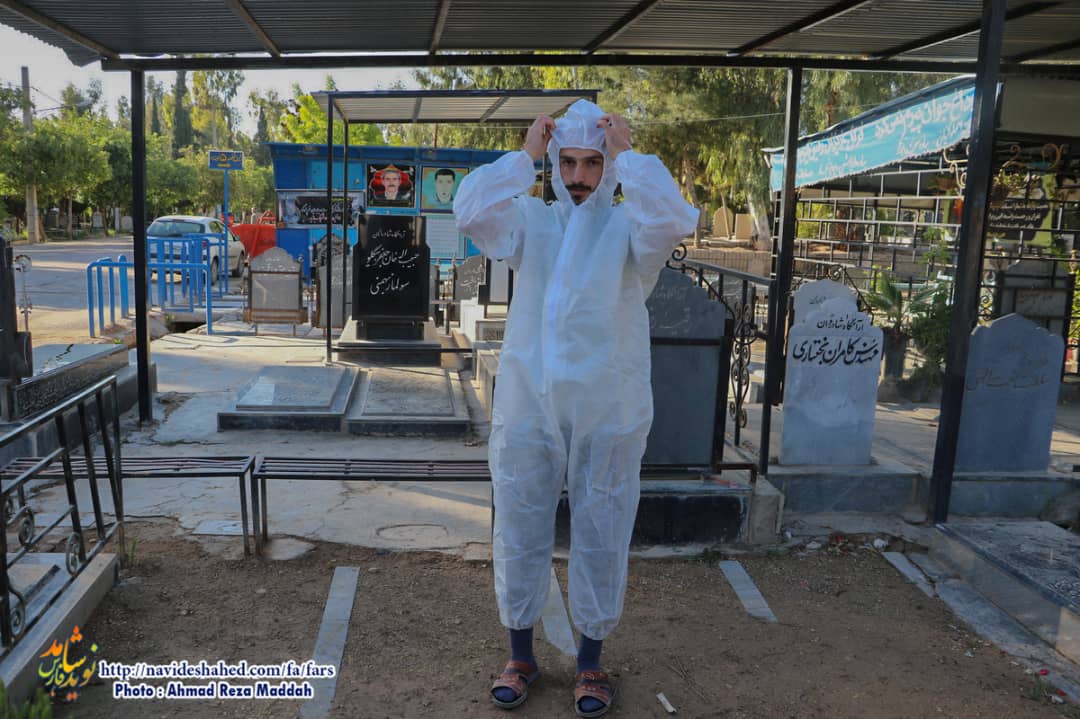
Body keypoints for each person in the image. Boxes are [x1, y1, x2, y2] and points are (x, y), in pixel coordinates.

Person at [454, 99, 698, 717]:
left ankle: (591, 662)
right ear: (554, 164)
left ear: (607, 165)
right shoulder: (531, 223)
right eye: (568, 162)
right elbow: (470, 209)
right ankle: (520, 656)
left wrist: (630, 155)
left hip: (607, 403)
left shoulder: (629, 229)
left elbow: (675, 218)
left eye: (593, 162)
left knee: (603, 524)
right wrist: (525, 157)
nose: (580, 176)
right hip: (529, 398)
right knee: (519, 518)